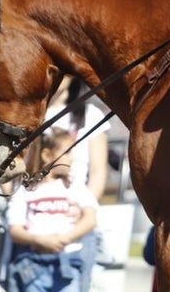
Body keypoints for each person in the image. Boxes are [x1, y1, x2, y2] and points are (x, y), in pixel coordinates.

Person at [4, 129, 98, 292]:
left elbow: (90, 219)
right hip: (33, 266)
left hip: (68, 264)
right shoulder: (25, 189)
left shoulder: (74, 186)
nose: (72, 158)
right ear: (46, 155)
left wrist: (64, 238)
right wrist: (39, 241)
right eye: (67, 153)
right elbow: (15, 230)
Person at [46, 77, 109, 292]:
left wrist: (83, 209)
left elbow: (98, 171)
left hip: (75, 224)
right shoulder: (29, 112)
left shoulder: (90, 116)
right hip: (35, 222)